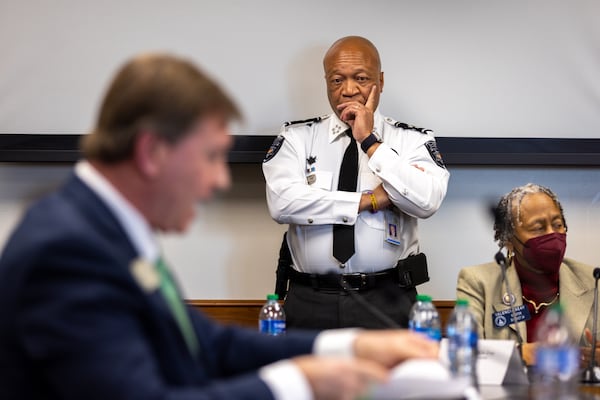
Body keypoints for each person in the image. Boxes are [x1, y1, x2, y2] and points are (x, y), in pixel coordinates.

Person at [0, 53, 440, 400]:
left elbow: (203, 344)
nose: (220, 179)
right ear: (153, 152)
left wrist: (348, 350)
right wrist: (299, 385)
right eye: (209, 156)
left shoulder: (110, 230)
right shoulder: (67, 252)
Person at [262, 36, 450, 329]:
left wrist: (369, 141)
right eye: (337, 80)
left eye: (360, 78)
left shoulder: (412, 141)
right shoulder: (297, 139)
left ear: (381, 81)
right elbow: (282, 203)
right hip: (310, 299)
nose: (348, 90)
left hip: (387, 299)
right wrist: (367, 201)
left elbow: (427, 200)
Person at [456, 183, 597, 366]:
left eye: (558, 224)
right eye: (538, 228)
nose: (552, 235)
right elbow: (465, 351)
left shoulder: (592, 280)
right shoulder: (477, 282)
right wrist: (520, 353)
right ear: (509, 240)